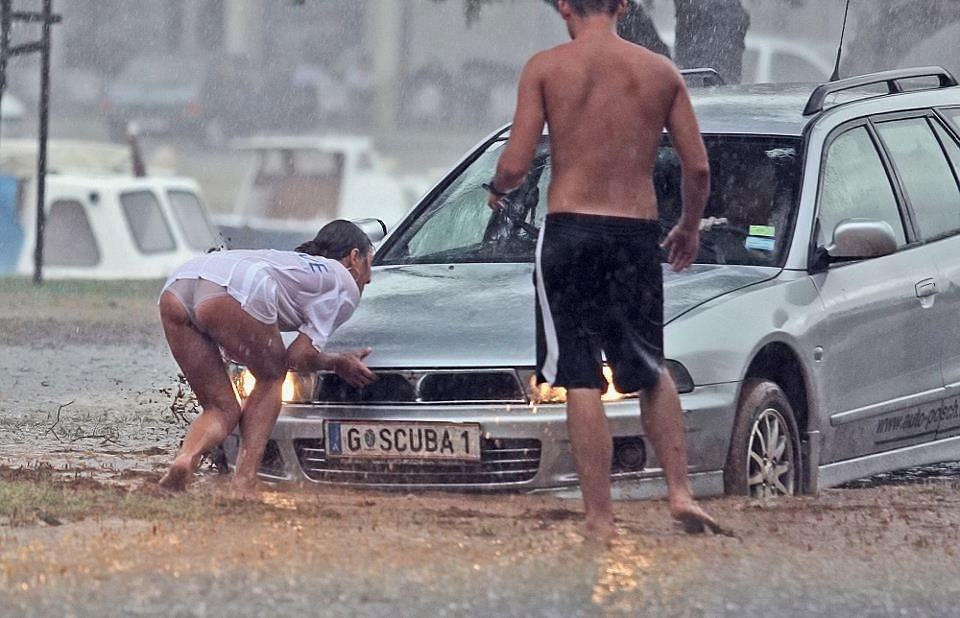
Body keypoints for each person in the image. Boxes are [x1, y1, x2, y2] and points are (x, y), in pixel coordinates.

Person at [487, 0, 718, 541]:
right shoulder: (661, 73)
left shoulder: (546, 67)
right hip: (635, 235)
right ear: (623, 4)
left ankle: (601, 519)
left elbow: (517, 161)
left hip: (570, 232)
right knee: (649, 365)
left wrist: (497, 192)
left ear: (564, 4)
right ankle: (680, 491)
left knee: (580, 374)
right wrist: (689, 225)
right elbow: (699, 166)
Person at [157, 220, 377, 493]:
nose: (368, 278)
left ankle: (185, 459)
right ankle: (246, 477)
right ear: (354, 257)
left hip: (180, 284)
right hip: (232, 288)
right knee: (273, 374)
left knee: (220, 407)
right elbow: (299, 356)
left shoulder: (296, 263)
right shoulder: (345, 281)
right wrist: (336, 362)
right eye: (370, 263)